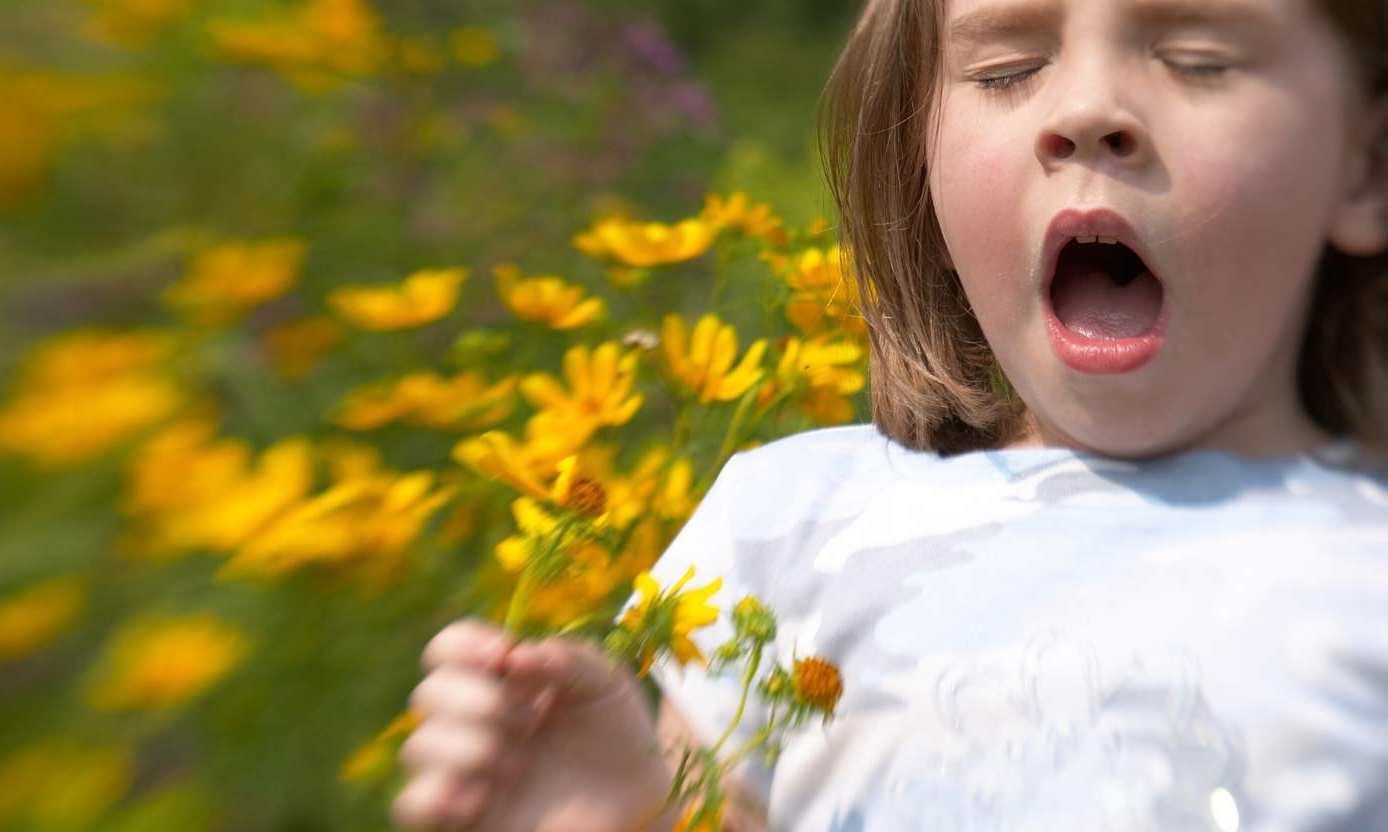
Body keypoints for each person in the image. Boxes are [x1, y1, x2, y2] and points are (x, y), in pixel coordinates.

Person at [392, 0, 1388, 828]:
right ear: (917, 154)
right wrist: (619, 813)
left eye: (1196, 57)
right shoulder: (792, 521)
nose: (1085, 110)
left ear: (1364, 166)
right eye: (1004, 71)